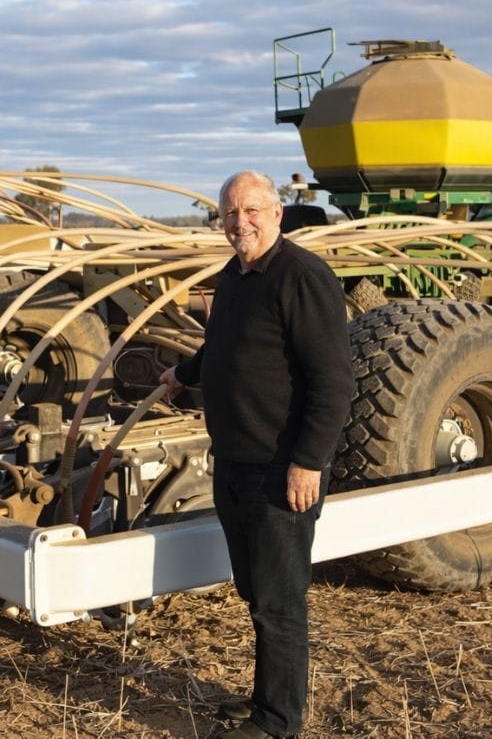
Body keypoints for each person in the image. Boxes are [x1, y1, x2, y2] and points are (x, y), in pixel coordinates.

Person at [159, 171, 354, 738]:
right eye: (228, 213)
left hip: (279, 468)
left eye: (250, 211)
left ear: (276, 213)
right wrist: (183, 373)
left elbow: (333, 382)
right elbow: (225, 345)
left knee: (280, 599)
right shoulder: (235, 275)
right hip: (236, 460)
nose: (238, 222)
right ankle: (264, 698)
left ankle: (278, 721)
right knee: (256, 590)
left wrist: (308, 462)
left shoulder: (303, 277)